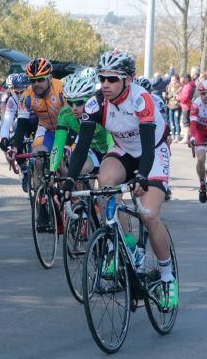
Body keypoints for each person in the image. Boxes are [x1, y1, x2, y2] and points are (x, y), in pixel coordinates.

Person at [63, 50, 177, 309]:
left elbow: (148, 148)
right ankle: (127, 245)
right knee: (105, 183)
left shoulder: (142, 99)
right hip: (124, 150)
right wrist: (69, 181)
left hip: (153, 153)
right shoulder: (96, 103)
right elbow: (81, 147)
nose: (105, 84)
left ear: (128, 79)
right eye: (102, 78)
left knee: (148, 213)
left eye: (112, 79)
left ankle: (167, 276)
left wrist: (141, 176)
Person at [5, 57, 67, 228]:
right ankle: (42, 206)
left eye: (40, 79)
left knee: (62, 165)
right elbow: (21, 125)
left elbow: (74, 117)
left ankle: (73, 200)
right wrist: (15, 147)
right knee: (37, 160)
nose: (36, 84)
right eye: (32, 81)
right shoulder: (27, 96)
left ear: (49, 77)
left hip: (66, 131)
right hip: (46, 130)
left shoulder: (61, 89)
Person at [49, 73, 112, 178]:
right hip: (92, 150)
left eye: (79, 103)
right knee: (78, 172)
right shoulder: (65, 114)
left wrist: (109, 161)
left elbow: (111, 139)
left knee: (107, 179)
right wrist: (52, 170)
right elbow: (58, 144)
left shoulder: (102, 110)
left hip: (112, 148)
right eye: (70, 103)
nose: (74, 108)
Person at [177, 74, 195, 143]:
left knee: (186, 122)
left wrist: (178, 97)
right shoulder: (189, 86)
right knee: (187, 122)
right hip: (186, 106)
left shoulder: (188, 86)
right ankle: (188, 137)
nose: (182, 81)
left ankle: (186, 138)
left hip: (186, 106)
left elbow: (185, 98)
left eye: (183, 79)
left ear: (186, 79)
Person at [165, 75, 182, 141]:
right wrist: (165, 96)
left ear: (177, 80)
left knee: (176, 121)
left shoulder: (180, 87)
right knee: (171, 121)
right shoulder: (168, 86)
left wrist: (176, 95)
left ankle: (178, 135)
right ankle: (172, 134)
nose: (172, 81)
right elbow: (167, 95)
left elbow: (181, 97)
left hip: (177, 106)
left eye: (174, 80)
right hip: (170, 106)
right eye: (171, 80)